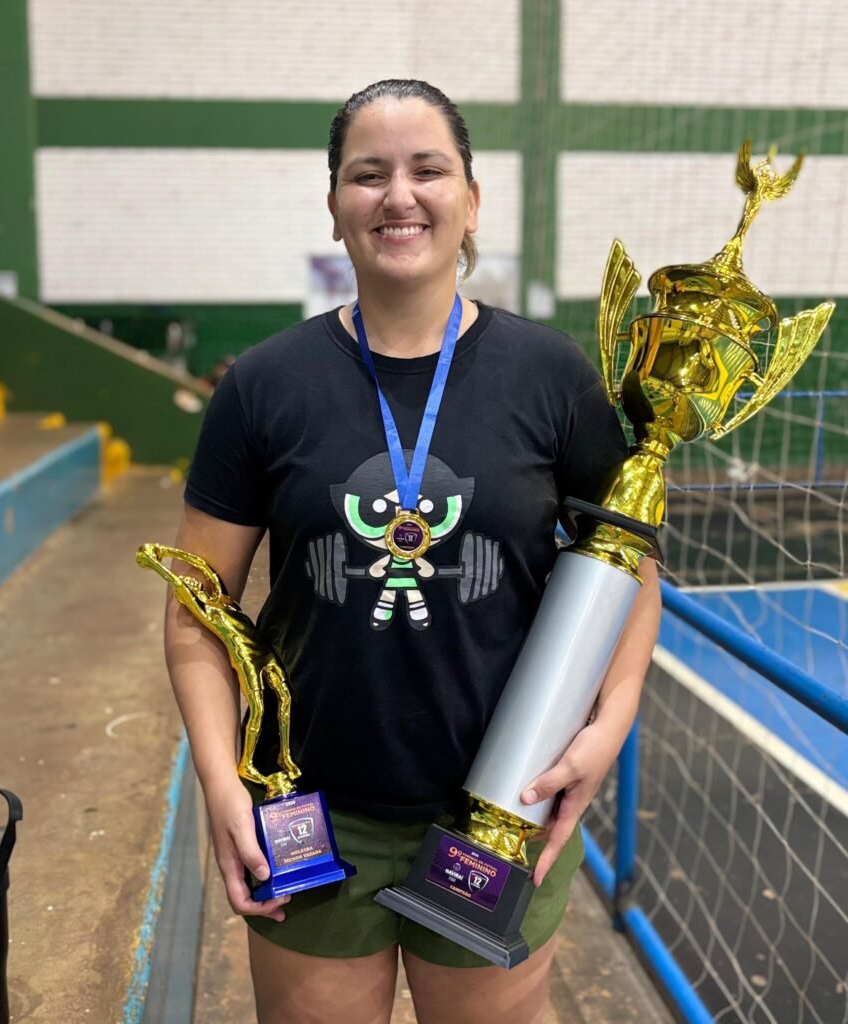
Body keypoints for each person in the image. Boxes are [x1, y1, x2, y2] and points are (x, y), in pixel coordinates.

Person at [164, 79, 661, 1024]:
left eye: (427, 169)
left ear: (470, 200)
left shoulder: (551, 376)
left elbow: (626, 565)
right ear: (335, 206)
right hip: (311, 812)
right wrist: (220, 780)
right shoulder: (264, 385)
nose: (398, 195)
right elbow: (197, 610)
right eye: (368, 174)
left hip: (499, 817)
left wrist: (615, 716)